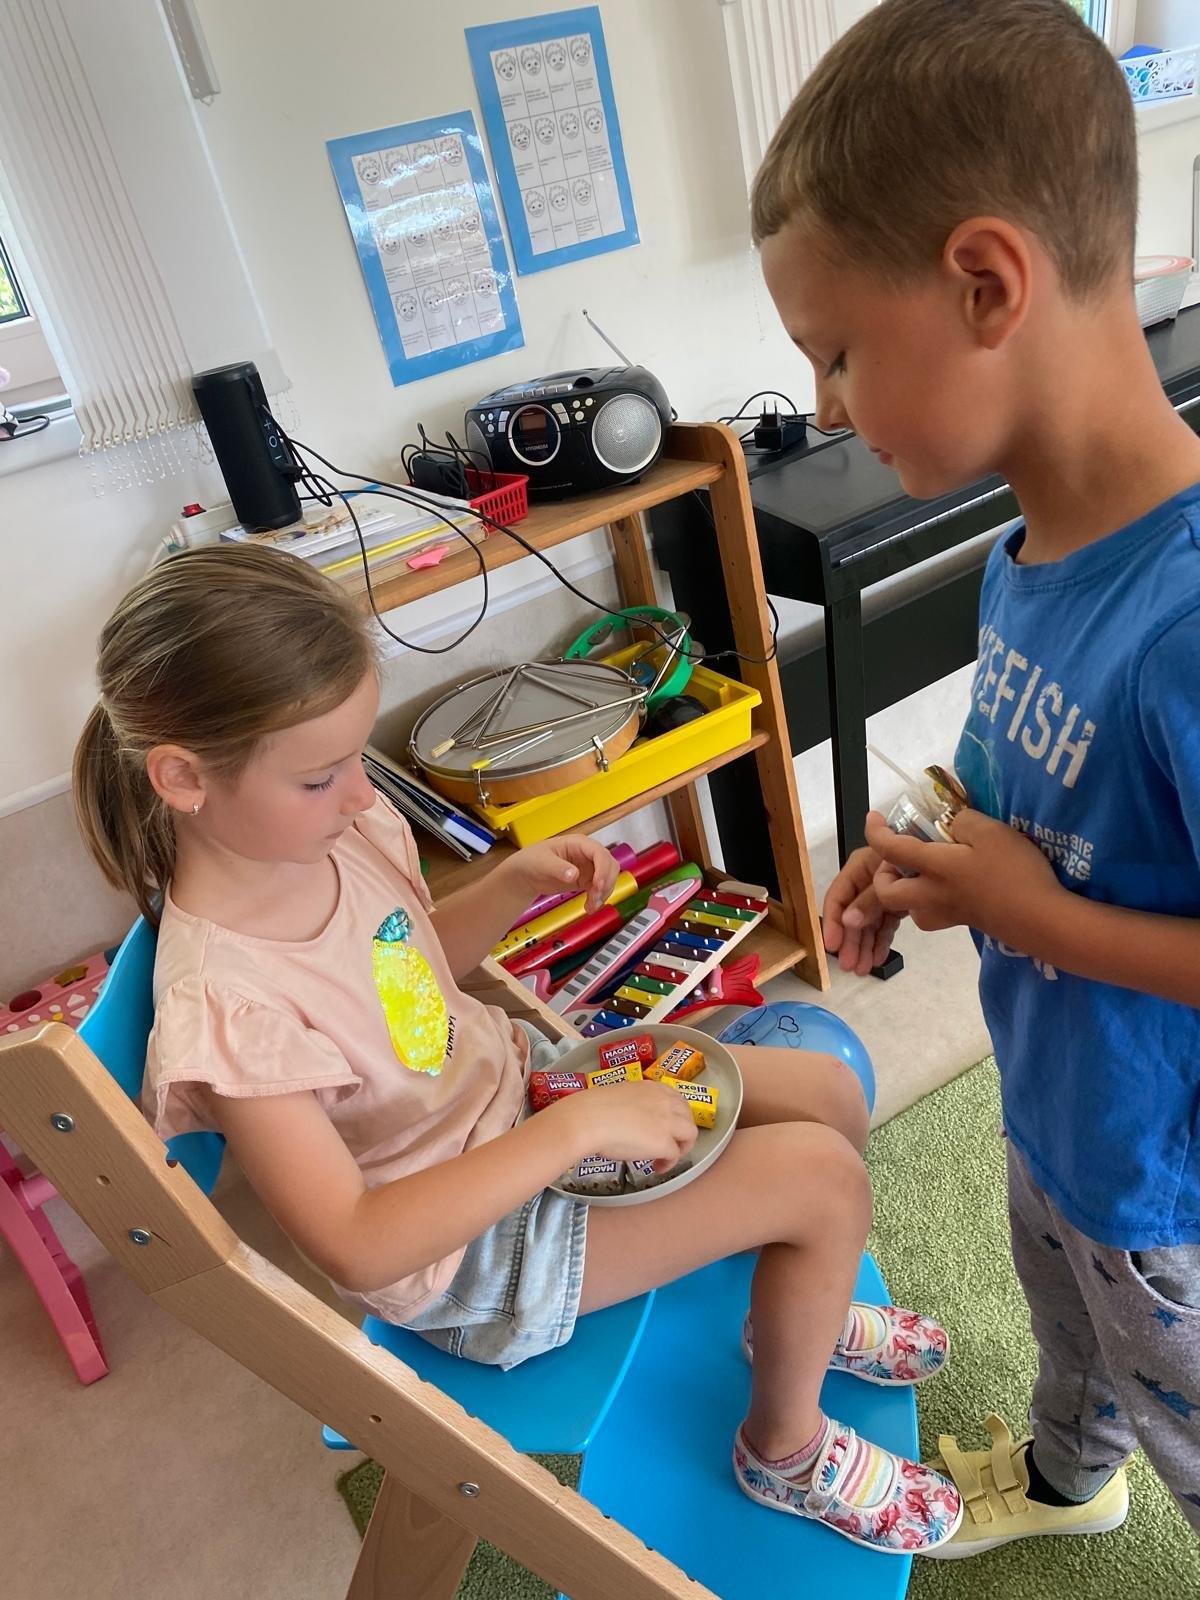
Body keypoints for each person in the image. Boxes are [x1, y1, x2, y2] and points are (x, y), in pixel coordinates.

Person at [72, 543, 959, 1554]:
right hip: (472, 1260)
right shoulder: (228, 1007)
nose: (362, 794)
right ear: (182, 778)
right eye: (322, 775)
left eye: (355, 760)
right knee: (822, 1182)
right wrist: (573, 1129)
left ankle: (794, 1316)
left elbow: (411, 986)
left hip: (526, 1101)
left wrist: (506, 891)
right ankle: (783, 1449)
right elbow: (358, 1241)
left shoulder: (329, 834)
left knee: (826, 1093)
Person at [751, 0, 1200, 1558]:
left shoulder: (1189, 621)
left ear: (987, 284)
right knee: (1071, 1337)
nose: (825, 408)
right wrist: (926, 849)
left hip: (1168, 1179)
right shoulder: (1023, 556)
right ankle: (1072, 1484)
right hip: (1061, 1099)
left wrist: (1033, 916)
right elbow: (1029, 791)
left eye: (836, 352)